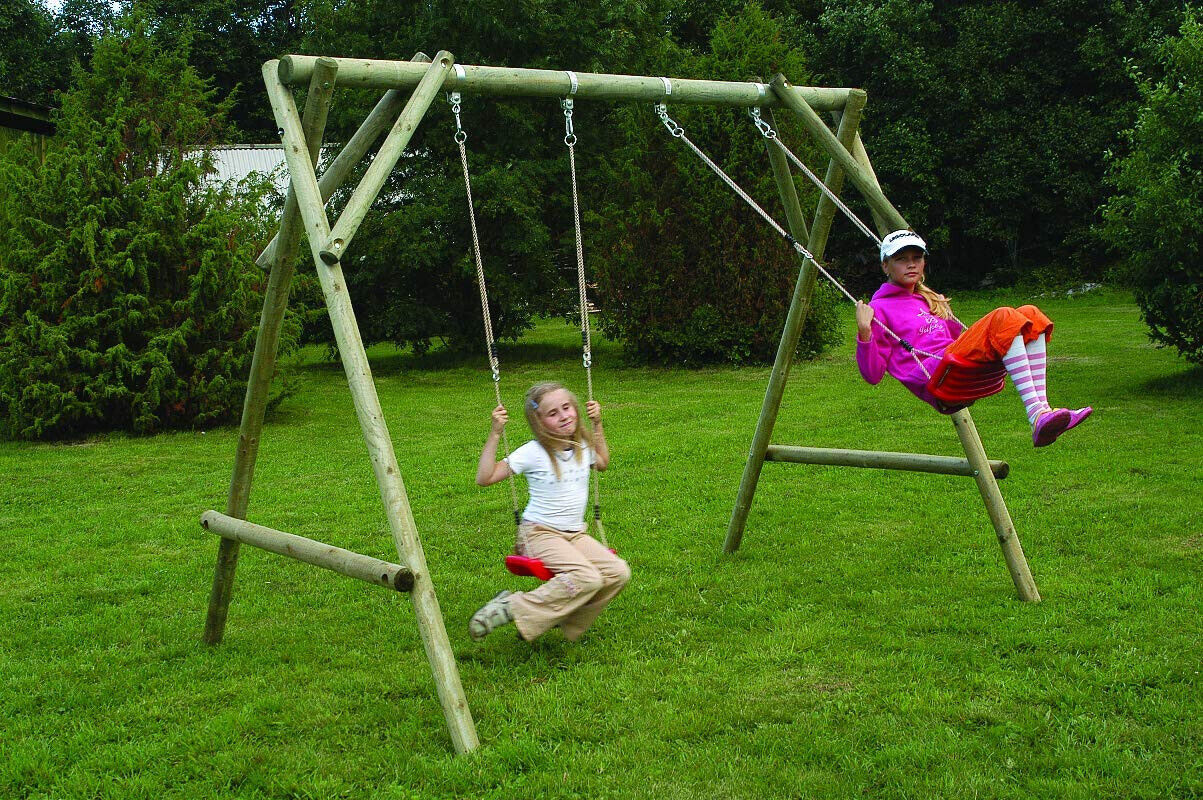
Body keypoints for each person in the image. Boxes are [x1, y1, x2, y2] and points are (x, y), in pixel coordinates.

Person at [855, 229, 1092, 447]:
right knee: (1004, 316)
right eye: (901, 259)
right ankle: (1036, 414)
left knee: (1032, 315)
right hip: (937, 377)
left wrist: (944, 313)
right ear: (885, 266)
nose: (911, 265)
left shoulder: (928, 299)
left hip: (957, 367)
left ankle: (1042, 411)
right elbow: (872, 375)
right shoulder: (880, 309)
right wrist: (865, 332)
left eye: (916, 258)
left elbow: (958, 341)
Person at [469, 381, 630, 642]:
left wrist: (597, 424)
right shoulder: (533, 452)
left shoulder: (580, 446)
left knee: (618, 573)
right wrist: (496, 433)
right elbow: (484, 477)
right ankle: (511, 606)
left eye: (567, 408)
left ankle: (560, 618)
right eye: (553, 413)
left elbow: (602, 462)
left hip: (575, 534)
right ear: (540, 422)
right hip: (539, 534)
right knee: (587, 578)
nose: (564, 416)